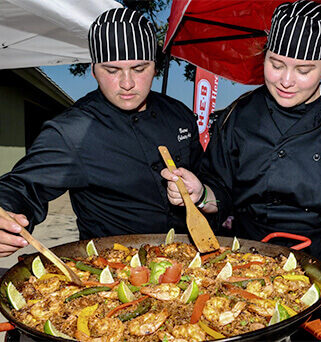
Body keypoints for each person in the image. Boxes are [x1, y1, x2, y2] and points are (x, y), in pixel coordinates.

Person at [162, 0, 321, 307]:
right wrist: (200, 193)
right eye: (275, 64)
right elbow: (219, 190)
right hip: (247, 271)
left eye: (304, 70)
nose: (286, 80)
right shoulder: (239, 114)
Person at [0, 8, 203, 257]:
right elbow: (22, 186)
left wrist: (202, 191)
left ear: (155, 67)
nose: (127, 83)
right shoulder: (73, 130)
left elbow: (207, 174)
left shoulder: (179, 114)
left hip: (192, 260)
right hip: (113, 272)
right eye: (112, 70)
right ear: (94, 69)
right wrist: (6, 212)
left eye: (139, 69)